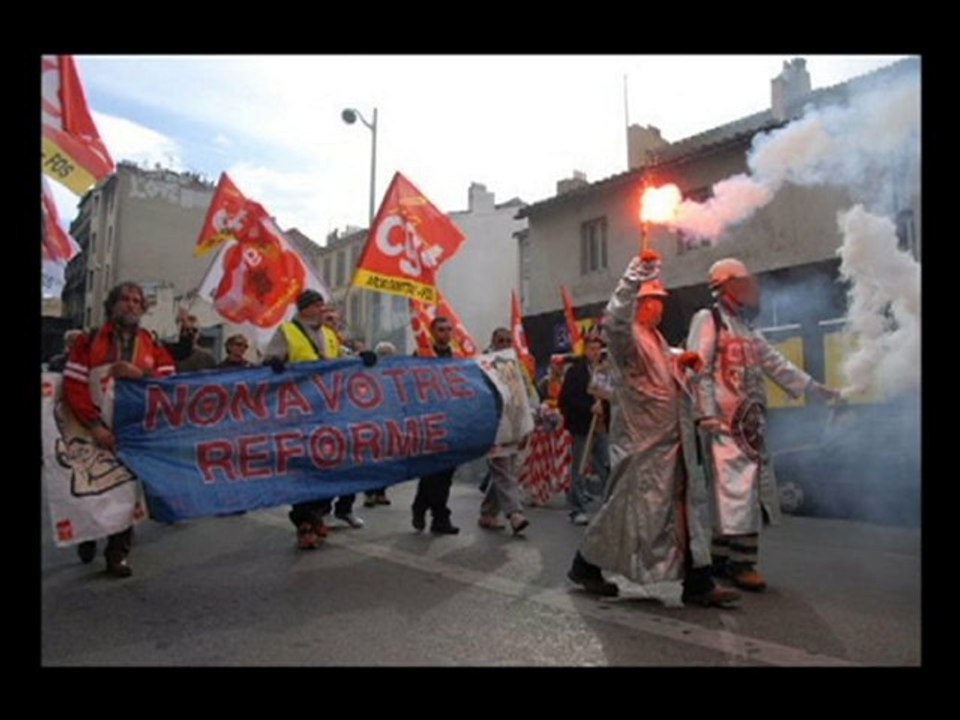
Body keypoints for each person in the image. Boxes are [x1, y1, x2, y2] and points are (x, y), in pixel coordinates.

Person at [567, 253, 739, 606]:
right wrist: (632, 276)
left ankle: (697, 581)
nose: (659, 307)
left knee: (683, 509)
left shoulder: (655, 338)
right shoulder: (626, 336)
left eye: (660, 302)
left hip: (670, 441)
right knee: (623, 509)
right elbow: (614, 320)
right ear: (640, 303)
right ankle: (586, 566)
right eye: (653, 301)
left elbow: (660, 368)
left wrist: (681, 359)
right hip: (643, 444)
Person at [686, 257, 840, 592]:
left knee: (750, 491)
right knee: (731, 494)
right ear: (725, 286)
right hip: (722, 425)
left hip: (749, 427)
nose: (750, 288)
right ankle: (738, 564)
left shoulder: (746, 328)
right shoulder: (708, 320)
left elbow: (775, 363)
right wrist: (705, 413)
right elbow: (697, 367)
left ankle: (727, 559)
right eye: (742, 281)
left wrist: (814, 388)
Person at [62, 282, 176, 577]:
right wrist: (94, 425)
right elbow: (74, 386)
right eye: (124, 299)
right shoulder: (88, 341)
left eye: (137, 301)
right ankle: (88, 535)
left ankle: (118, 554)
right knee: (91, 487)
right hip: (92, 429)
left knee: (126, 492)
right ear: (112, 304)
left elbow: (168, 379)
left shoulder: (151, 342)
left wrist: (142, 374)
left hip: (132, 433)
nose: (131, 305)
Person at [263, 289, 375, 549]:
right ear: (305, 308)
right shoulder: (287, 332)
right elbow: (270, 360)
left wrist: (361, 359)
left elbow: (339, 360)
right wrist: (275, 364)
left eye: (322, 306)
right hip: (298, 412)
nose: (322, 310)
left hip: (326, 411)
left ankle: (316, 515)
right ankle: (305, 522)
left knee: (329, 465)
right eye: (317, 305)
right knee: (304, 468)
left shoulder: (328, 334)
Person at [410, 316, 460, 535]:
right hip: (427, 422)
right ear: (432, 332)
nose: (446, 333)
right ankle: (438, 515)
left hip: (450, 421)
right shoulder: (421, 355)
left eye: (449, 329)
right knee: (431, 472)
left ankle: (425, 509)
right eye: (441, 329)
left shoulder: (457, 358)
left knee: (445, 473)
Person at [477, 328, 530, 535]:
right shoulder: (484, 364)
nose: (505, 343)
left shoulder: (516, 365)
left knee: (507, 471)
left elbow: (525, 394)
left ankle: (488, 512)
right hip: (494, 425)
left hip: (514, 424)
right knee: (502, 470)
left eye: (508, 340)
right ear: (493, 341)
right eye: (501, 340)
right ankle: (514, 514)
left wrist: (527, 423)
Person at [558, 334, 610, 525]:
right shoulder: (576, 372)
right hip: (582, 426)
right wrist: (587, 407)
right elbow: (566, 399)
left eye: (598, 349)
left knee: (605, 466)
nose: (595, 353)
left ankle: (609, 506)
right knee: (579, 468)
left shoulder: (604, 371)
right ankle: (576, 508)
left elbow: (610, 395)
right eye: (592, 349)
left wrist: (603, 407)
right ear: (585, 349)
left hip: (601, 425)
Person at [364, 340, 398, 508]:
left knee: (386, 459)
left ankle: (381, 492)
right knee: (371, 459)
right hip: (372, 421)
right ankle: (369, 493)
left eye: (389, 354)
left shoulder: (395, 373)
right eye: (383, 354)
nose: (386, 357)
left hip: (388, 421)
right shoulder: (369, 372)